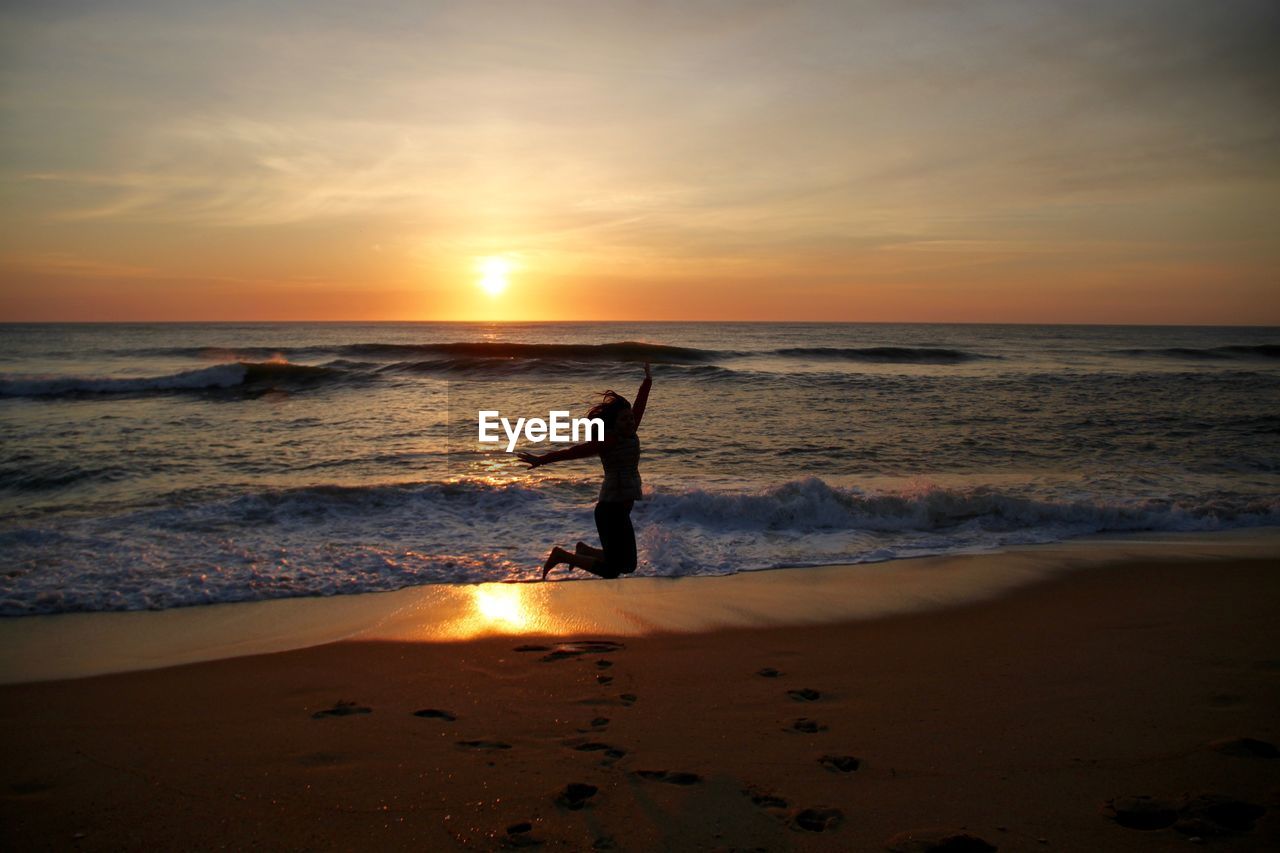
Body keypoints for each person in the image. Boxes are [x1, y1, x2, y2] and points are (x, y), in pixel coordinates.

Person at [518, 362, 652, 580]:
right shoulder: (608, 441)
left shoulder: (630, 432)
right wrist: (542, 460)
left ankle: (584, 551)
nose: (630, 421)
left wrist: (648, 380)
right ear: (614, 424)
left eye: (630, 418)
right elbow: (573, 452)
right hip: (610, 511)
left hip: (620, 509)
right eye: (624, 419)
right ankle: (563, 555)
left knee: (623, 563)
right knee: (617, 567)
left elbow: (640, 406)